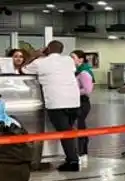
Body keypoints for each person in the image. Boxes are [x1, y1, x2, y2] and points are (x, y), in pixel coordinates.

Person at [19, 42, 81, 172]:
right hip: (74, 101)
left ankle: (73, 161)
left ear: (47, 49)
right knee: (69, 131)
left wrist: (34, 55)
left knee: (65, 133)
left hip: (56, 103)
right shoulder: (69, 60)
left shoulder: (40, 62)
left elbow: (23, 69)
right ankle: (72, 158)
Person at [70, 50, 94, 162]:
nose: (71, 60)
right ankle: (80, 150)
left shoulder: (84, 72)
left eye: (73, 57)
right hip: (76, 102)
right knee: (79, 126)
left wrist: (72, 92)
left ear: (81, 59)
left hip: (82, 103)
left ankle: (82, 151)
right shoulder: (76, 71)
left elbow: (88, 90)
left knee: (80, 126)